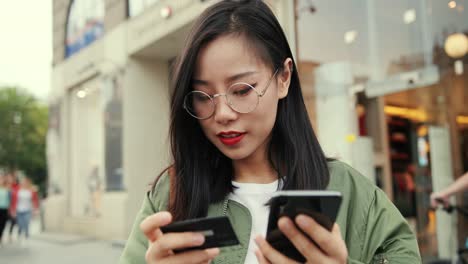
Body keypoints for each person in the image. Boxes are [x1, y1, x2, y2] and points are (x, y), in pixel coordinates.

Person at [119, 1, 421, 263]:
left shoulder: (349, 189)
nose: (222, 114)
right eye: (202, 96)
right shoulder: (172, 193)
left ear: (284, 78)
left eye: (241, 90)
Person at [10, 177, 39, 245]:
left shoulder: (31, 190)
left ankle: (26, 236)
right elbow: (13, 201)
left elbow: (35, 200)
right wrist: (12, 210)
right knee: (20, 224)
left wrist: (36, 209)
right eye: (23, 182)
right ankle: (20, 234)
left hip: (27, 210)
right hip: (18, 210)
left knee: (26, 223)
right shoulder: (17, 190)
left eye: (26, 182)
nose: (24, 183)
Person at [0, 175, 11, 246]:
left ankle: (1, 235)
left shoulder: (7, 189)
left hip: (5, 209)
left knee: (3, 224)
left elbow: (10, 199)